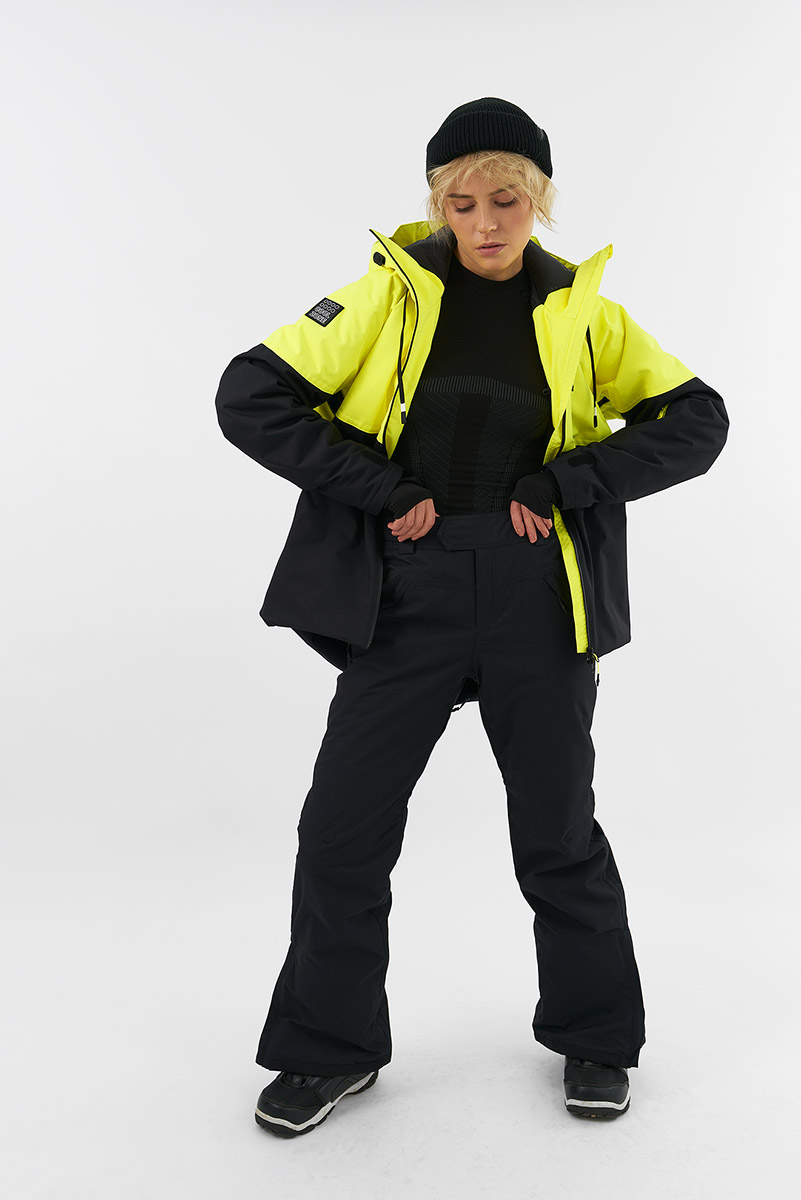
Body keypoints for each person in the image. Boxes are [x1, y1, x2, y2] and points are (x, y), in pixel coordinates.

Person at [215, 97, 729, 1138]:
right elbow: (250, 394)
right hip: (407, 596)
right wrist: (377, 489)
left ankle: (596, 1039)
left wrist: (568, 483)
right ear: (436, 204)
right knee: (343, 830)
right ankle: (328, 1050)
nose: (485, 222)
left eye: (506, 200)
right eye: (462, 203)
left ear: (539, 202)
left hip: (538, 599)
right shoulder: (386, 295)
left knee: (557, 830)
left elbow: (697, 419)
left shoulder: (583, 313)